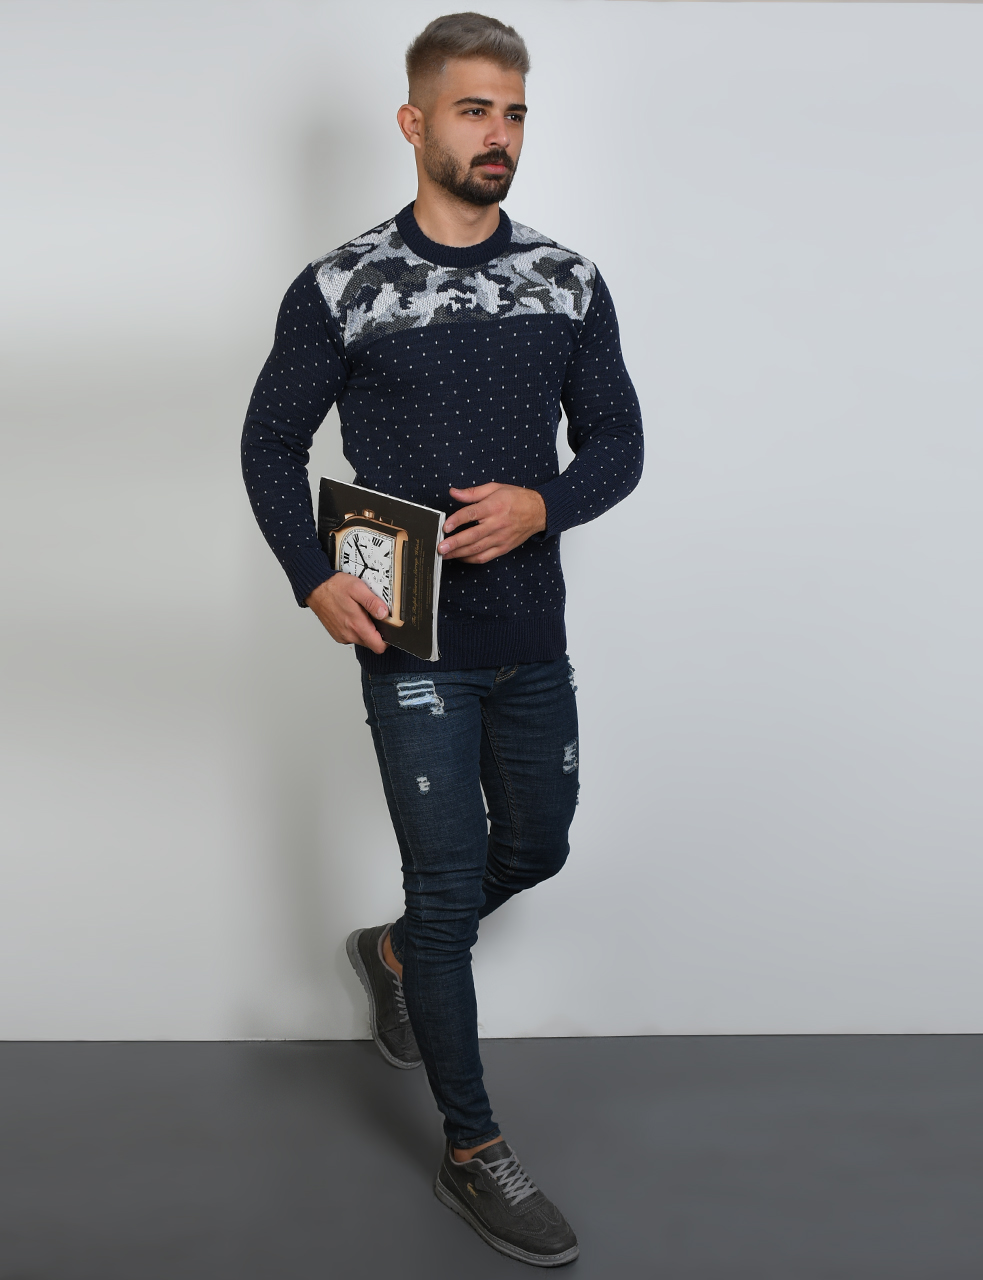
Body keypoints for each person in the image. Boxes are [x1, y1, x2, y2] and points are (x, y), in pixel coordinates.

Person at [241, 11, 642, 1267]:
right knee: (451, 886)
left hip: (530, 633)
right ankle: (473, 1148)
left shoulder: (567, 280)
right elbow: (269, 443)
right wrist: (311, 576)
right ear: (414, 123)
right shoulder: (340, 285)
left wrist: (544, 504)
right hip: (408, 645)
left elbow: (619, 442)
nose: (497, 134)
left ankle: (393, 955)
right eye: (474, 110)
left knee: (537, 845)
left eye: (513, 112)